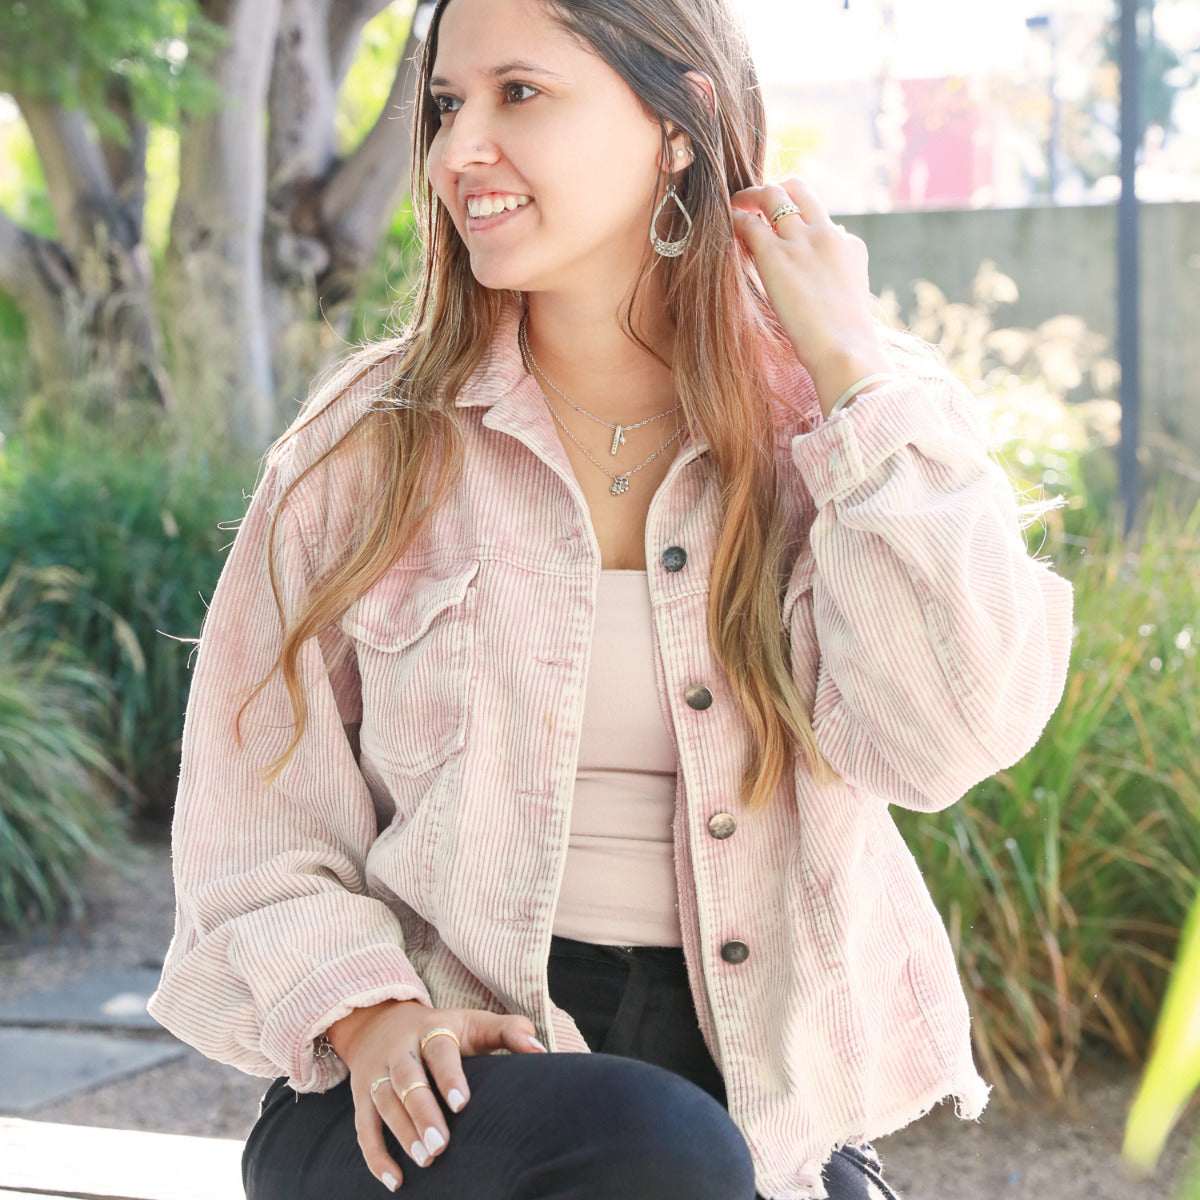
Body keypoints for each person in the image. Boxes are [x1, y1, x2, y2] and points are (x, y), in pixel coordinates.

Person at [148, 0, 1073, 1197]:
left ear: (677, 125)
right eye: (444, 104)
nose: (452, 150)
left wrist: (852, 371)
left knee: (691, 1155)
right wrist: (369, 1016)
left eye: (518, 94)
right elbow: (249, 831)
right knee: (659, 1151)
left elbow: (945, 738)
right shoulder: (364, 452)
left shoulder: (836, 432)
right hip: (423, 1101)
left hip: (756, 1108)